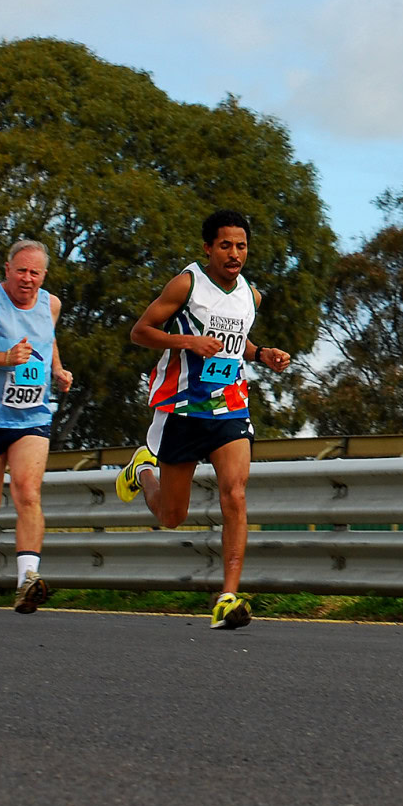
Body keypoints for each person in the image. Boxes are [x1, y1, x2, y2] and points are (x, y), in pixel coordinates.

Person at [116, 208, 291, 630]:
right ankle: (144, 472)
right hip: (182, 409)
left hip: (229, 407)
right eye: (226, 245)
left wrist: (261, 353)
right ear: (208, 247)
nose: (235, 254)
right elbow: (140, 331)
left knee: (235, 495)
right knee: (172, 515)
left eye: (242, 246)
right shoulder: (187, 283)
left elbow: (236, 340)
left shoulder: (252, 295)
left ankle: (228, 597)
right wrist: (186, 341)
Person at [0, 238, 73, 613]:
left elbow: (46, 339)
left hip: (32, 417)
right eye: (21, 270)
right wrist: (4, 357)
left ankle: (27, 581)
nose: (27, 278)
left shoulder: (51, 304)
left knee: (27, 492)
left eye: (35, 272)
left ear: (44, 276)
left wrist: (57, 369)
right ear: (8, 269)